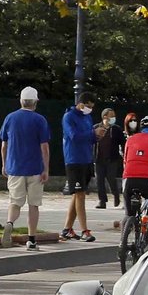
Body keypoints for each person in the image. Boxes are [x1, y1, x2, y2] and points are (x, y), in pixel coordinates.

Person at [0, 86, 51, 251]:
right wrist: (46, 169)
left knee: (15, 202)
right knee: (33, 205)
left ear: (21, 101)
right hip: (35, 169)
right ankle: (32, 240)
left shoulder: (10, 118)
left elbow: (4, 145)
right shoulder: (40, 120)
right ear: (35, 102)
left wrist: (4, 164)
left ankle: (9, 222)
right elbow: (44, 147)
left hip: (15, 168)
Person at [61, 97, 97, 242]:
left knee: (77, 194)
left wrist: (97, 135)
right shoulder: (68, 117)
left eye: (92, 106)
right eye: (88, 105)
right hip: (74, 159)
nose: (90, 109)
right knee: (80, 194)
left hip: (86, 158)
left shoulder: (87, 117)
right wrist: (92, 134)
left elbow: (91, 138)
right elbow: (74, 136)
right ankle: (84, 230)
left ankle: (67, 229)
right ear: (80, 104)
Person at [93, 107, 124, 209]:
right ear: (105, 116)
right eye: (112, 116)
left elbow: (122, 143)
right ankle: (102, 201)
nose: (114, 118)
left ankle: (116, 194)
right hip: (99, 158)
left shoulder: (116, 129)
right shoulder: (96, 128)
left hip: (112, 158)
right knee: (99, 180)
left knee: (111, 178)